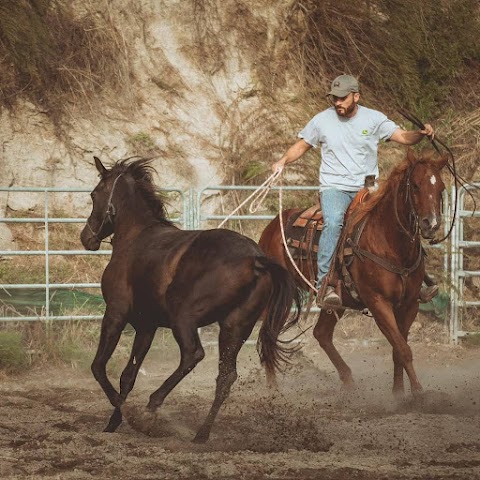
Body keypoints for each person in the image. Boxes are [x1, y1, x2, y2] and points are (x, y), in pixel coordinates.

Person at [271, 74, 439, 307]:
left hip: (368, 187)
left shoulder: (373, 119)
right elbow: (302, 145)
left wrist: (419, 135)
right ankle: (325, 284)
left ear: (356, 96)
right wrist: (282, 161)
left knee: (397, 219)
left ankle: (418, 278)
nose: (337, 102)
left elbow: (401, 136)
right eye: (334, 98)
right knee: (333, 223)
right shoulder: (321, 120)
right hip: (334, 188)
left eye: (342, 98)